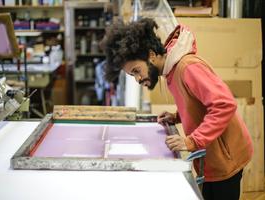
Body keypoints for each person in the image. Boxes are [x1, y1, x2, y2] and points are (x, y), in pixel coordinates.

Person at [102, 18, 253, 200]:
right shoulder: (171, 72)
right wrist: (176, 116)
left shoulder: (188, 67)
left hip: (227, 159)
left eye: (136, 71)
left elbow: (224, 105)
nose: (138, 79)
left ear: (150, 55)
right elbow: (197, 102)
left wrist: (192, 141)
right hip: (212, 159)